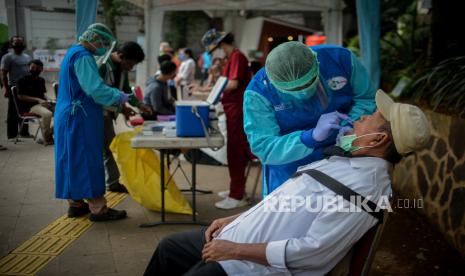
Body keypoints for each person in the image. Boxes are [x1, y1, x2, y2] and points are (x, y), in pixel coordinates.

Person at [143, 90, 431, 276]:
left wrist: (233, 250)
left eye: (371, 118)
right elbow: (286, 202)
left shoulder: (364, 189)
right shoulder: (348, 162)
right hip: (238, 237)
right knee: (169, 249)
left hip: (250, 266)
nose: (362, 117)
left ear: (378, 140)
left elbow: (313, 252)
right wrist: (236, 218)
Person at [244, 41, 378, 196]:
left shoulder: (340, 59)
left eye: (308, 83)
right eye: (293, 89)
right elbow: (264, 148)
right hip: (289, 167)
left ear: (317, 63)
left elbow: (366, 98)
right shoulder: (258, 92)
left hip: (344, 154)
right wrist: (309, 137)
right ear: (274, 83)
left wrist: (348, 124)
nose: (302, 93)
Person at [54, 23, 129, 221]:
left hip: (68, 115)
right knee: (88, 160)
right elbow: (94, 89)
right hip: (80, 117)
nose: (103, 46)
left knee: (71, 160)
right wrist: (117, 95)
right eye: (102, 42)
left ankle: (76, 204)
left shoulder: (72, 52)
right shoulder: (84, 56)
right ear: (94, 39)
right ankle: (98, 208)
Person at [191, 29, 254, 209]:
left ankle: (237, 195)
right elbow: (224, 83)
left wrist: (209, 91)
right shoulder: (231, 58)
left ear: (220, 44)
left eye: (212, 51)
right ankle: (236, 190)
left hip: (237, 111)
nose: (212, 55)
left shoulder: (237, 57)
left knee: (236, 153)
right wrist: (205, 90)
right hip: (232, 110)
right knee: (233, 153)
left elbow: (232, 84)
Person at [98, 41, 151, 193]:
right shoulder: (103, 66)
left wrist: (138, 105)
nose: (131, 68)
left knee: (107, 148)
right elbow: (101, 93)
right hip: (97, 114)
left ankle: (112, 182)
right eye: (131, 63)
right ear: (121, 56)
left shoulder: (122, 69)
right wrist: (122, 108)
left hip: (108, 114)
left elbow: (126, 91)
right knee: (105, 149)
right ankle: (110, 184)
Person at [1, 35, 32, 139]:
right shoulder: (7, 57)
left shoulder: (27, 57)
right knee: (13, 112)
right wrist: (6, 89)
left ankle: (24, 132)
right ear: (11, 44)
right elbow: (3, 74)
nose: (19, 44)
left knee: (25, 110)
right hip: (13, 87)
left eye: (20, 42)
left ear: (24, 44)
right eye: (16, 42)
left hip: (26, 87)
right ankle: (12, 135)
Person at [17, 59, 54, 145]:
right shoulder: (22, 79)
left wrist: (50, 100)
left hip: (42, 104)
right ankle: (46, 138)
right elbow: (20, 96)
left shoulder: (41, 80)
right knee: (47, 114)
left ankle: (47, 134)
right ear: (28, 67)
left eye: (38, 68)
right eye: (33, 67)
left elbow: (43, 95)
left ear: (41, 69)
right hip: (30, 106)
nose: (35, 69)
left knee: (63, 111)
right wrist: (37, 99)